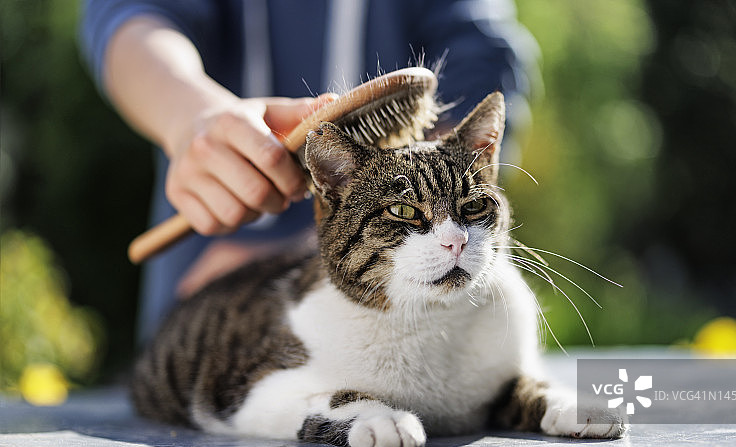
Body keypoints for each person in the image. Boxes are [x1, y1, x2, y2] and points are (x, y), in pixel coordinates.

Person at [79, 0, 537, 342]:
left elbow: (479, 50)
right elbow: (131, 14)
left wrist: (336, 246)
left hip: (406, 300)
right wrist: (191, 116)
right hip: (209, 300)